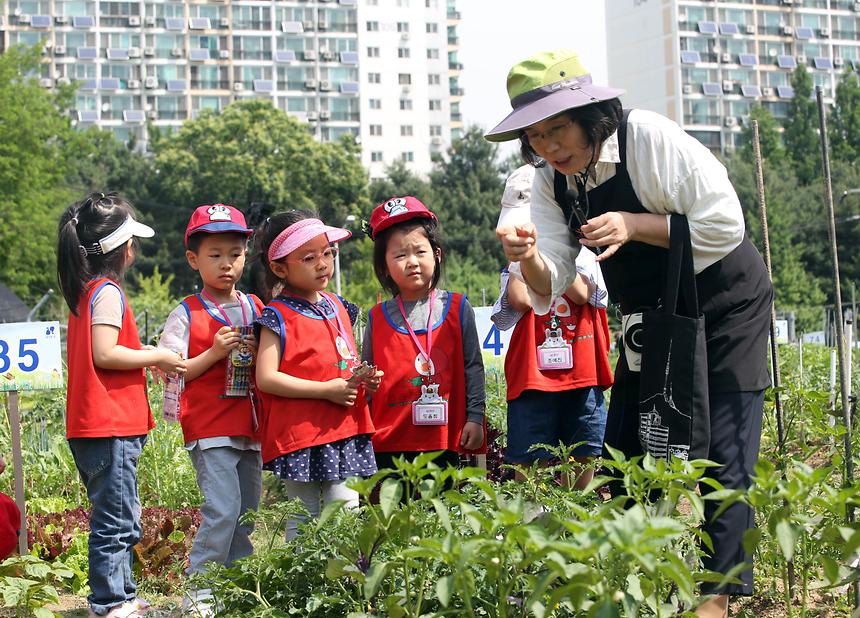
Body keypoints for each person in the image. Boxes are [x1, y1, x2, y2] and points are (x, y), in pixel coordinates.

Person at [487, 50, 773, 618]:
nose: (549, 147)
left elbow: (724, 223)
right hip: (653, 315)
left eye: (558, 128)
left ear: (592, 113)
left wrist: (636, 224)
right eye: (536, 137)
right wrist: (529, 255)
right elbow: (552, 282)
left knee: (723, 449)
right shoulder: (552, 182)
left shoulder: (647, 139)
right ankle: (628, 576)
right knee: (633, 447)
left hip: (724, 303)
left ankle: (716, 598)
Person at [57, 192, 187, 618]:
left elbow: (108, 351)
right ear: (122, 248)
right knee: (114, 521)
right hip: (108, 426)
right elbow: (106, 353)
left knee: (122, 514)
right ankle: (110, 603)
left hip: (98, 426)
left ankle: (122, 595)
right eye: (132, 241)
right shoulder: (107, 291)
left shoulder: (85, 291)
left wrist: (142, 352)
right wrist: (157, 355)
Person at [157, 204, 263, 615]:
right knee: (222, 510)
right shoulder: (185, 312)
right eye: (215, 254)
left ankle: (236, 591)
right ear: (193, 259)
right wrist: (214, 353)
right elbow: (171, 370)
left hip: (250, 428)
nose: (226, 264)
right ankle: (199, 596)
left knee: (247, 514)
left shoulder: (255, 306)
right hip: (209, 428)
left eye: (235, 254)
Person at [253, 211, 379, 540]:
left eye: (327, 253)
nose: (322, 263)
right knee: (304, 516)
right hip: (303, 434)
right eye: (308, 258)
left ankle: (344, 586)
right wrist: (325, 390)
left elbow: (342, 361)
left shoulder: (338, 305)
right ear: (280, 269)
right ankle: (303, 587)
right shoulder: (277, 315)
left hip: (345, 427)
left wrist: (364, 380)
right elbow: (266, 377)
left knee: (347, 510)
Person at [491, 166, 613, 489]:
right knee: (531, 454)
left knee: (584, 449)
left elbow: (586, 292)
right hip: (535, 380)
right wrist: (529, 258)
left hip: (582, 375)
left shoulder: (586, 255)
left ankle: (577, 509)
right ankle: (535, 522)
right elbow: (520, 300)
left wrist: (557, 264)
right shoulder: (517, 263)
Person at [361, 197, 486, 475]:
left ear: (437, 254)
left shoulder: (457, 307)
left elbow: (473, 367)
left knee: (440, 515)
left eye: (420, 251)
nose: (412, 262)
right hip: (389, 441)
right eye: (400, 255)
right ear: (384, 266)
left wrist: (475, 417)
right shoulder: (377, 317)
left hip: (443, 438)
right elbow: (368, 382)